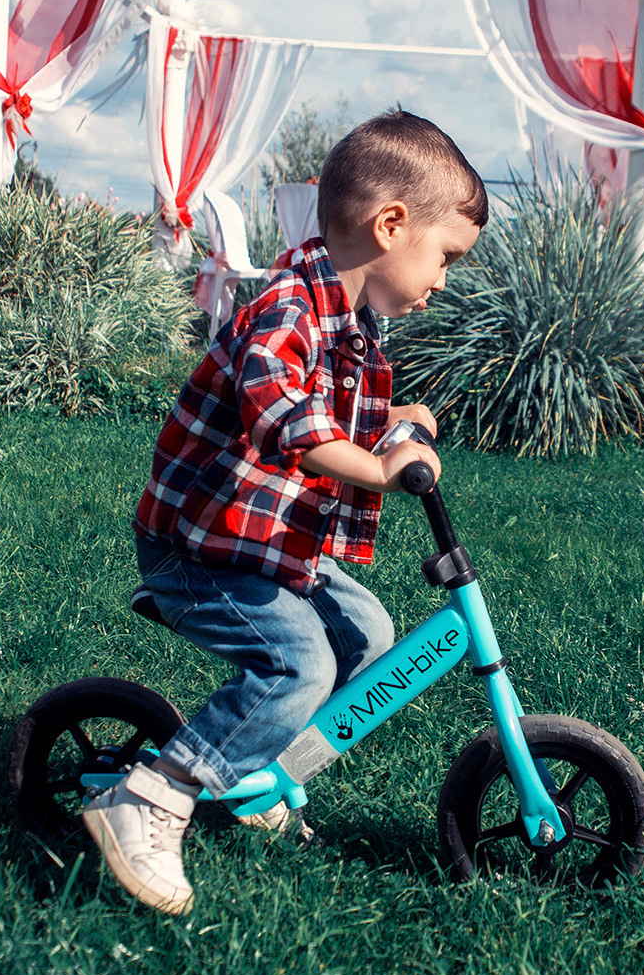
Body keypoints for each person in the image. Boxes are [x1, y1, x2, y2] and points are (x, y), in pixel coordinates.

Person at [89, 109, 489, 916]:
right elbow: (282, 414)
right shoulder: (287, 305)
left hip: (261, 542)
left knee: (366, 633)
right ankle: (152, 796)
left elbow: (330, 408)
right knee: (299, 663)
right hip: (200, 548)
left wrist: (390, 419)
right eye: (445, 257)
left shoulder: (351, 322)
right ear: (390, 225)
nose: (443, 281)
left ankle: (262, 773)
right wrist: (378, 467)